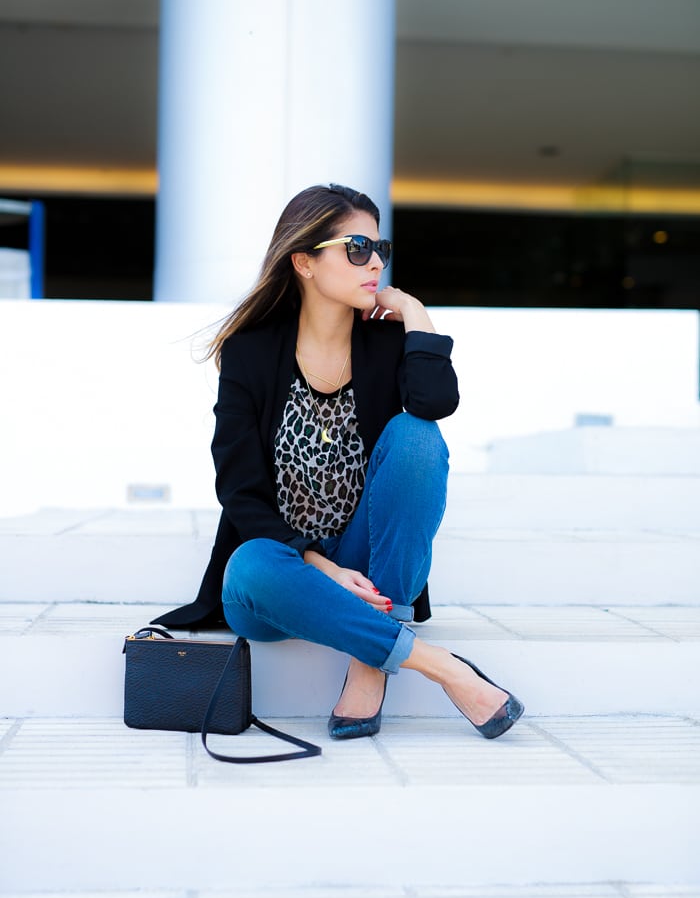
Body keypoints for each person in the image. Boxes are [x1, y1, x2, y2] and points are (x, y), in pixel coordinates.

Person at [154, 183, 523, 740]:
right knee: (249, 565)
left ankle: (368, 665)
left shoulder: (386, 342)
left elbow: (433, 404)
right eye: (356, 248)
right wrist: (321, 568)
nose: (374, 262)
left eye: (380, 249)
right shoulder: (252, 351)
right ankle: (440, 667)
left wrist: (414, 311)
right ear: (304, 261)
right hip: (283, 571)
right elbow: (239, 489)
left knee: (417, 437)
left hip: (371, 567)